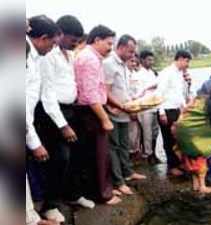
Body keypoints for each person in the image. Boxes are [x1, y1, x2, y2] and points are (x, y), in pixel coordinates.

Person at [35, 15, 95, 216]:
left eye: (78, 40)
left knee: (78, 154)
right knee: (60, 157)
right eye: (72, 39)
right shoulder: (47, 56)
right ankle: (49, 205)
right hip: (52, 113)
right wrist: (62, 125)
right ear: (59, 34)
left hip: (71, 110)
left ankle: (73, 193)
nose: (76, 43)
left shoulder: (69, 55)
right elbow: (48, 94)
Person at [73, 25, 121, 205]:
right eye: (109, 43)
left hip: (91, 110)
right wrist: (105, 118)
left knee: (95, 154)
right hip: (90, 112)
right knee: (99, 155)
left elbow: (99, 90)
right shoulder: (90, 59)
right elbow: (91, 94)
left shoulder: (92, 57)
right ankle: (103, 194)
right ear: (97, 40)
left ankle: (102, 189)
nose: (111, 47)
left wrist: (116, 106)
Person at [26, 15, 62, 222]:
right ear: (43, 38)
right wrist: (34, 143)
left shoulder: (34, 58)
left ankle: (31, 219)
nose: (52, 48)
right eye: (53, 43)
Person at [103, 34, 147, 196]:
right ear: (120, 47)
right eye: (130, 52)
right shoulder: (108, 64)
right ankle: (118, 181)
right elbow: (105, 93)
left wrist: (133, 102)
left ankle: (128, 172)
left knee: (124, 144)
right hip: (113, 113)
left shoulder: (123, 65)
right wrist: (120, 106)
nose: (132, 55)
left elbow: (123, 89)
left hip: (124, 112)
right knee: (113, 148)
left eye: (133, 52)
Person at [156, 50, 192, 176]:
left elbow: (178, 93)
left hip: (176, 109)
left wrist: (184, 107)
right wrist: (161, 112)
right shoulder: (167, 73)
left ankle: (178, 162)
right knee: (168, 139)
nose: (188, 65)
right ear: (180, 59)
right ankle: (172, 166)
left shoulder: (179, 74)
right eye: (187, 61)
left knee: (177, 138)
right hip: (166, 110)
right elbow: (159, 93)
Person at [136, 50, 160, 163]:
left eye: (152, 59)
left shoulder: (152, 73)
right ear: (142, 60)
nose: (151, 62)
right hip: (144, 107)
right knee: (147, 133)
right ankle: (148, 154)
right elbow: (137, 92)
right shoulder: (138, 74)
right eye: (149, 60)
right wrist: (149, 87)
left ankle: (153, 154)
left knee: (155, 132)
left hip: (155, 106)